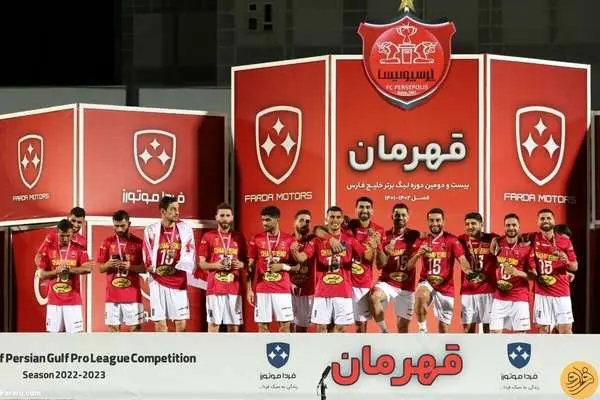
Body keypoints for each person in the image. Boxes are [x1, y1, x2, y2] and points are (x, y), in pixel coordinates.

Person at [296, 206, 372, 333]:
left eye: (338, 217)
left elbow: (367, 257)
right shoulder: (317, 241)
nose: (335, 220)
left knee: (340, 329)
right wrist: (294, 251)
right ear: (326, 219)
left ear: (342, 219)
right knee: (321, 328)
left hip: (343, 292)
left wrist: (373, 246)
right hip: (322, 292)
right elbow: (302, 257)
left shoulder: (349, 240)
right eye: (331, 217)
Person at [407, 208, 473, 333]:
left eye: (438, 220)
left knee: (443, 329)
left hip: (446, 287)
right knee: (420, 296)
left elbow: (462, 260)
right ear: (428, 222)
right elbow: (409, 266)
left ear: (443, 221)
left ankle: (441, 344)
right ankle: (423, 330)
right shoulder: (422, 240)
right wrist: (418, 254)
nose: (435, 223)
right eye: (431, 220)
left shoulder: (452, 240)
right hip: (427, 281)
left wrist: (469, 272)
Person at [143, 196, 196, 332]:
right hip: (157, 281)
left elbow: (190, 254)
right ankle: (162, 348)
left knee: (181, 325)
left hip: (178, 281)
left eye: (177, 209)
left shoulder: (185, 229)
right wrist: (150, 267)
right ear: (163, 211)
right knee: (160, 325)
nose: (177, 212)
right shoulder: (151, 230)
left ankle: (179, 348)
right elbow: (147, 253)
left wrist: (177, 256)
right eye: (172, 209)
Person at [246, 206, 299, 333]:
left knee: (285, 327)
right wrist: (249, 289)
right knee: (262, 327)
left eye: (268, 220)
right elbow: (250, 266)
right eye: (263, 220)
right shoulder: (256, 239)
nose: (264, 223)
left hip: (282, 290)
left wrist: (282, 266)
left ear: (277, 219)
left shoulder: (289, 240)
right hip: (262, 289)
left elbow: (297, 267)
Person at [370, 203, 420, 333]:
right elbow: (379, 265)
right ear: (392, 216)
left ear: (408, 217)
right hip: (387, 283)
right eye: (397, 215)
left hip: (406, 287)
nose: (400, 217)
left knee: (402, 328)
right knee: (374, 297)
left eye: (403, 215)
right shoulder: (384, 236)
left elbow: (430, 237)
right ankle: (384, 331)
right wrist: (384, 250)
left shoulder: (415, 236)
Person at [197, 203, 246, 333]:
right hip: (215, 288)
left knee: (234, 327)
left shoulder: (239, 237)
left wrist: (241, 264)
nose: (225, 218)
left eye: (228, 215)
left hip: (234, 288)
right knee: (213, 326)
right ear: (216, 217)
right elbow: (201, 264)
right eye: (222, 215)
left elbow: (246, 262)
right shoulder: (208, 236)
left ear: (232, 217)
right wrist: (215, 265)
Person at [36, 219, 91, 333]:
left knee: (76, 336)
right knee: (52, 336)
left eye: (68, 236)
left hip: (73, 301)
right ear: (57, 233)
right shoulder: (49, 249)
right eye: (62, 236)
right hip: (53, 301)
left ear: (72, 234)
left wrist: (70, 269)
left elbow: (88, 268)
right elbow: (41, 274)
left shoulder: (79, 249)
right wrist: (56, 272)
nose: (65, 239)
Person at [97, 210, 145, 332]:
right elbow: (100, 268)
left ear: (129, 224)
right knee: (113, 331)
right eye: (116, 226)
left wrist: (131, 267)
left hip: (132, 295)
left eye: (122, 226)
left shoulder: (139, 243)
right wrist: (108, 264)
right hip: (112, 296)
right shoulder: (107, 242)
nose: (119, 229)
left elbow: (145, 268)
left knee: (135, 330)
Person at [531, 209, 578, 334]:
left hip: (561, 292)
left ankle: (565, 348)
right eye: (542, 218)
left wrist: (566, 262)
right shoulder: (533, 238)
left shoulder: (565, 241)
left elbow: (575, 266)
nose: (545, 220)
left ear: (554, 221)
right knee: (544, 330)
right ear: (537, 222)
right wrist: (494, 240)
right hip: (542, 293)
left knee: (566, 330)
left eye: (548, 218)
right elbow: (512, 237)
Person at [489, 214, 535, 334]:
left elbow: (534, 275)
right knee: (494, 335)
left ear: (519, 227)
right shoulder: (498, 243)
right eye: (508, 225)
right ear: (504, 227)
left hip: (519, 298)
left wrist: (518, 272)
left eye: (514, 225)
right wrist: (494, 241)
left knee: (520, 336)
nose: (511, 228)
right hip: (499, 297)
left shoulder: (527, 247)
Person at [458, 212, 498, 333]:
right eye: (467, 224)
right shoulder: (460, 240)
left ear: (481, 224)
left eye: (473, 223)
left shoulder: (491, 238)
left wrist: (497, 239)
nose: (470, 226)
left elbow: (507, 239)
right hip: (468, 291)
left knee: (489, 329)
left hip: (488, 290)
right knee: (468, 330)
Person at [290, 209, 315, 332]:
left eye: (307, 221)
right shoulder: (286, 241)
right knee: (286, 326)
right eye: (301, 220)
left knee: (302, 329)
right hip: (288, 291)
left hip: (307, 291)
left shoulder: (314, 241)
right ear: (294, 223)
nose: (305, 223)